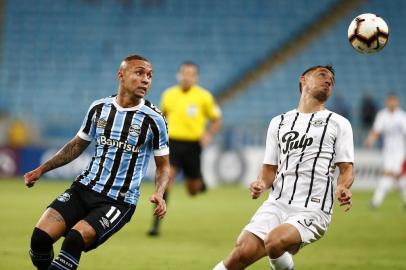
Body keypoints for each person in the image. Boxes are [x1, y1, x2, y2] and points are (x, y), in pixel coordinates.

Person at [24, 55, 170, 270]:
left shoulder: (154, 119)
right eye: (139, 73)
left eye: (149, 75)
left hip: (117, 201)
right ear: (121, 75)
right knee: (39, 240)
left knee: (74, 239)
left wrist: (159, 192)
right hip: (83, 188)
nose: (146, 80)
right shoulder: (99, 108)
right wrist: (42, 169)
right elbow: (76, 146)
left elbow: (164, 166)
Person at [213, 65, 354, 270]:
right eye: (322, 75)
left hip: (312, 208)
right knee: (240, 253)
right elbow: (270, 169)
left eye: (331, 81)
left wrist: (342, 186)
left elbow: (347, 168)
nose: (328, 81)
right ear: (303, 80)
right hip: (277, 203)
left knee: (274, 241)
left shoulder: (339, 123)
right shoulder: (278, 123)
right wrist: (261, 183)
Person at [147, 61, 222, 236]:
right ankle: (156, 225)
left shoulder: (204, 96)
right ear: (179, 75)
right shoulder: (169, 94)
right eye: (184, 73)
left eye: (191, 74)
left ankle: (200, 183)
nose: (187, 76)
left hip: (193, 146)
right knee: (167, 179)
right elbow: (162, 116)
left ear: (196, 77)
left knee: (193, 190)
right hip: (173, 143)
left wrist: (208, 135)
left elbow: (216, 119)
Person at [365, 93, 406, 209]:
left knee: (393, 175)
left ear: (397, 102)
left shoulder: (402, 116)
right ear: (387, 102)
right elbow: (376, 130)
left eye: (394, 101)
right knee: (396, 176)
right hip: (387, 152)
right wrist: (370, 140)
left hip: (400, 152)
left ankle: (375, 202)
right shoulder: (382, 115)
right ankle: (376, 202)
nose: (392, 103)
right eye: (390, 101)